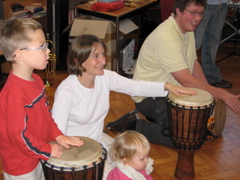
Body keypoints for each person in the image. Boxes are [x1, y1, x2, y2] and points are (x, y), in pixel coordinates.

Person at [51, 34, 196, 179]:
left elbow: (135, 86)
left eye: (102, 54)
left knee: (135, 164)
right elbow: (56, 133)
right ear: (79, 61)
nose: (103, 60)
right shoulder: (67, 91)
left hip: (98, 140)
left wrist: (166, 86)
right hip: (78, 151)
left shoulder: (104, 77)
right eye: (96, 56)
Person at [106, 0, 240, 146]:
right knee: (185, 139)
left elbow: (193, 62)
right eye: (193, 12)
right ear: (179, 10)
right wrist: (222, 94)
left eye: (201, 13)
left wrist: (207, 94)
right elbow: (187, 80)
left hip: (174, 91)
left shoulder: (186, 29)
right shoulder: (167, 37)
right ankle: (133, 124)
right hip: (151, 97)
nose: (197, 18)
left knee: (203, 127)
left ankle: (160, 119)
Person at [0, 18, 84, 180]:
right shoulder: (14, 95)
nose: (48, 51)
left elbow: (46, 116)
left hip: (37, 153)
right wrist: (46, 149)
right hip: (21, 165)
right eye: (42, 47)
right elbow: (19, 137)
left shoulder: (36, 80)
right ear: (20, 54)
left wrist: (58, 135)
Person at [194, 0, 240, 88]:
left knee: (213, 42)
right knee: (195, 42)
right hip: (201, 4)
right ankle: (183, 75)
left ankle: (211, 77)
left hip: (221, 5)